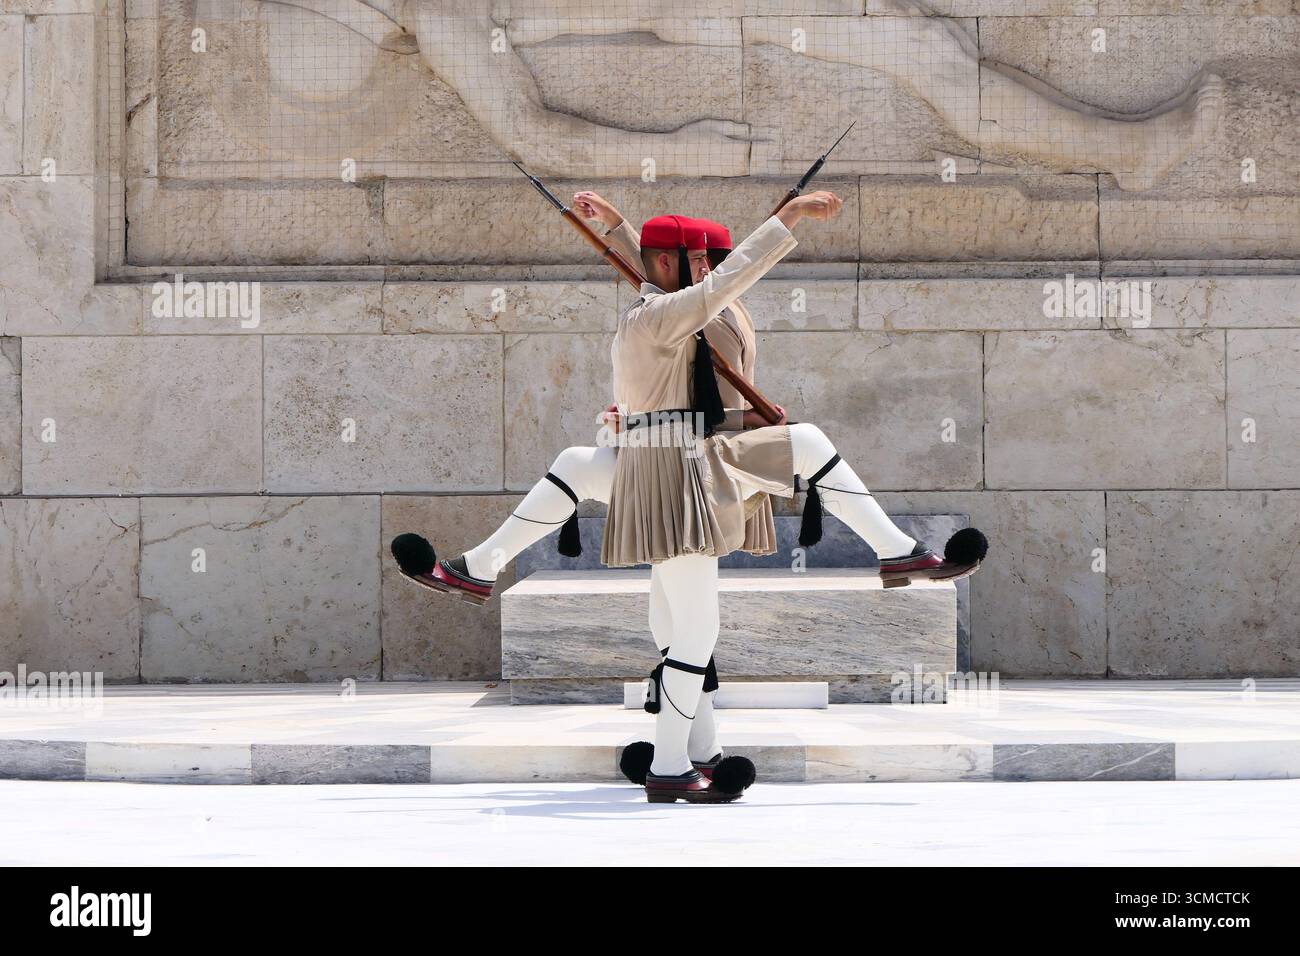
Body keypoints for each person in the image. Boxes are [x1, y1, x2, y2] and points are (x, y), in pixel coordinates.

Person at [393, 191, 987, 804]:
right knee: (701, 622)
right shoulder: (660, 316)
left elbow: (661, 272)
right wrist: (786, 222)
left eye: (713, 259)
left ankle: (478, 570)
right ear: (676, 266)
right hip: (679, 476)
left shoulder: (671, 307)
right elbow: (700, 281)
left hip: (679, 457)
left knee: (628, 547)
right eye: (700, 260)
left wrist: (618, 228)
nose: (711, 270)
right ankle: (672, 766)